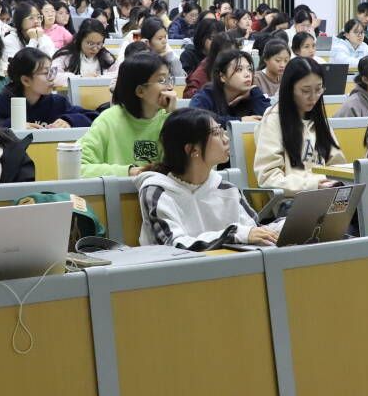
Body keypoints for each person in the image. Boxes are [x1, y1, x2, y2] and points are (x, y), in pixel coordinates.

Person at [137, 109, 277, 250]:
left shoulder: (227, 189)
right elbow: (174, 244)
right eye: (216, 133)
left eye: (222, 131)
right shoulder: (156, 190)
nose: (226, 139)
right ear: (192, 150)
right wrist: (233, 234)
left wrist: (281, 227)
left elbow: (254, 231)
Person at [253, 58, 347, 193]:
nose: (313, 97)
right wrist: (313, 185)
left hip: (325, 193)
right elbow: (268, 177)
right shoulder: (274, 119)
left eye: (318, 89)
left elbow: (337, 165)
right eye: (305, 91)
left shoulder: (318, 119)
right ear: (290, 89)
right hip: (292, 197)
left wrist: (336, 183)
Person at [79, 52, 177, 176]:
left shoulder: (169, 119)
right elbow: (79, 168)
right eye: (162, 80)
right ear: (140, 91)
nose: (170, 87)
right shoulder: (108, 120)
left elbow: (184, 169)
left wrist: (173, 120)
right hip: (119, 189)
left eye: (169, 79)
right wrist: (129, 172)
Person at [0, 48, 95, 129]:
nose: (52, 77)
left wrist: (69, 121)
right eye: (46, 73)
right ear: (26, 80)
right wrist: (13, 126)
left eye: (51, 71)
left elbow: (94, 117)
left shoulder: (57, 102)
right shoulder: (1, 103)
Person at [188, 49, 268, 126]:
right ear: (223, 77)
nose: (247, 74)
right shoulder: (206, 95)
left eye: (249, 69)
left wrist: (255, 92)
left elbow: (270, 119)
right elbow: (197, 118)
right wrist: (240, 121)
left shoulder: (253, 94)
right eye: (239, 70)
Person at [50, 18, 116, 82]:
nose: (95, 48)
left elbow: (117, 74)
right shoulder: (65, 55)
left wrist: (100, 78)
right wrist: (81, 78)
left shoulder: (106, 56)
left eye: (99, 44)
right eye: (90, 44)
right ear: (80, 40)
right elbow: (53, 76)